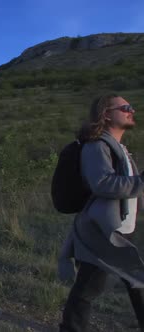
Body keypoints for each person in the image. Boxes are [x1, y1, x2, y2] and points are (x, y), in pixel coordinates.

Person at [58, 93, 144, 331]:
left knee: (133, 280)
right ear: (106, 114)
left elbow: (134, 189)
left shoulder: (121, 150)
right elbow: (103, 184)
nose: (131, 111)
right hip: (101, 230)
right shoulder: (97, 146)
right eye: (126, 107)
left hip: (119, 227)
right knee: (91, 288)